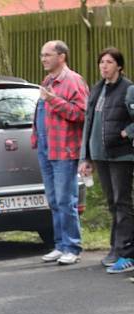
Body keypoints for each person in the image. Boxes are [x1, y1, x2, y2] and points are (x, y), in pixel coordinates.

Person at [78, 48, 134, 273]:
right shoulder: (97, 89)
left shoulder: (128, 89)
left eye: (109, 62)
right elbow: (88, 124)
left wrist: (126, 133)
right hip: (100, 155)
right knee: (113, 203)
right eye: (101, 62)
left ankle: (126, 253)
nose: (104, 66)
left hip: (121, 155)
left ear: (119, 66)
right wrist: (86, 157)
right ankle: (116, 248)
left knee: (122, 202)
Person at [34, 40, 88, 266]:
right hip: (47, 148)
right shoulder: (48, 81)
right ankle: (60, 244)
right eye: (42, 55)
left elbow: (81, 113)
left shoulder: (73, 81)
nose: (43, 59)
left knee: (66, 200)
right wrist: (35, 136)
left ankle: (72, 246)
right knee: (54, 200)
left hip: (64, 149)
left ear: (61, 56)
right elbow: (40, 111)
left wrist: (53, 100)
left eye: (48, 55)